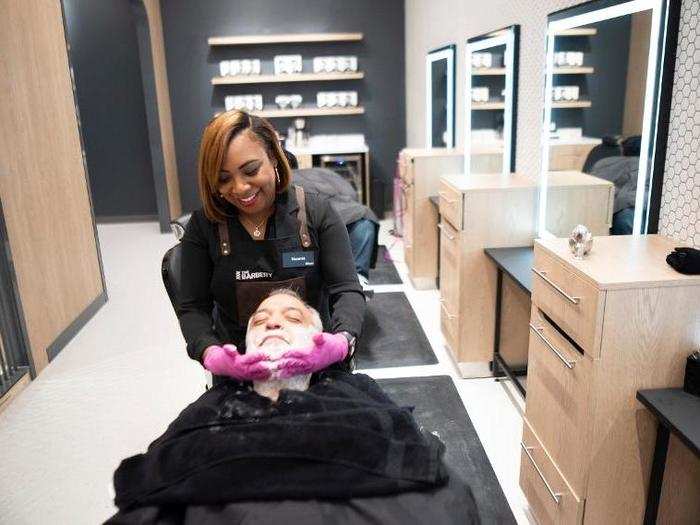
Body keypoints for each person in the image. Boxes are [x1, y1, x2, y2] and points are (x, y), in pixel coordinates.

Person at [178, 110, 365, 384]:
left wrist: (340, 342)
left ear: (275, 159)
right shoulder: (204, 227)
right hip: (239, 372)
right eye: (223, 178)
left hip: (316, 367)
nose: (240, 188)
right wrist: (212, 353)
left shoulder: (315, 213)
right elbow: (192, 307)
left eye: (250, 170)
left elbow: (346, 289)